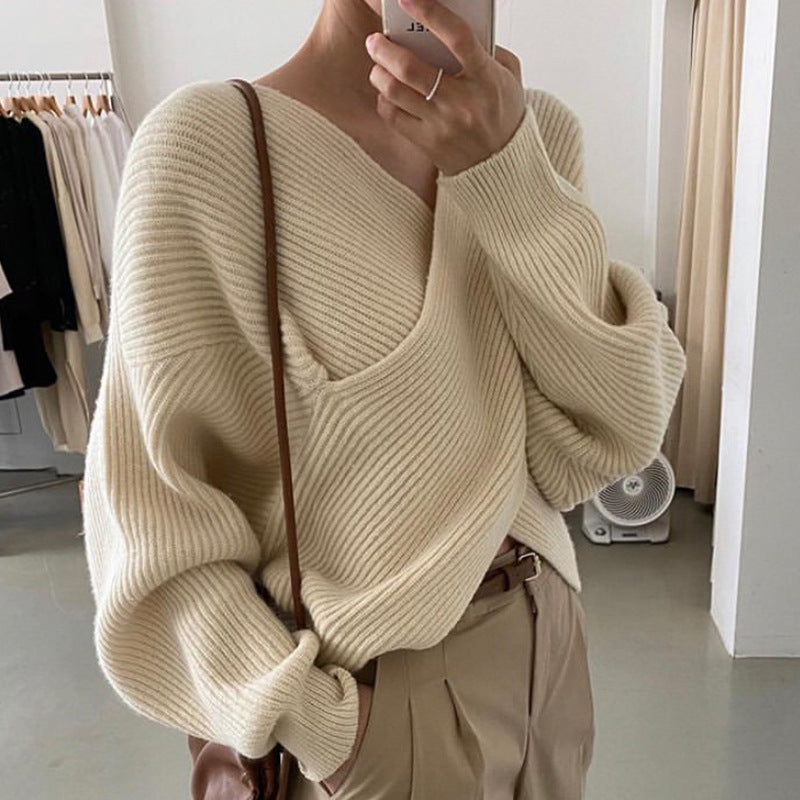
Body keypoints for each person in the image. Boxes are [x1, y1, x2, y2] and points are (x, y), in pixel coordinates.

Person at [81, 0, 687, 797]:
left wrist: (506, 173)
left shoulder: (534, 134)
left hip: (549, 650)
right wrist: (325, 727)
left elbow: (613, 435)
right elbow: (152, 524)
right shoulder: (211, 150)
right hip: (375, 699)